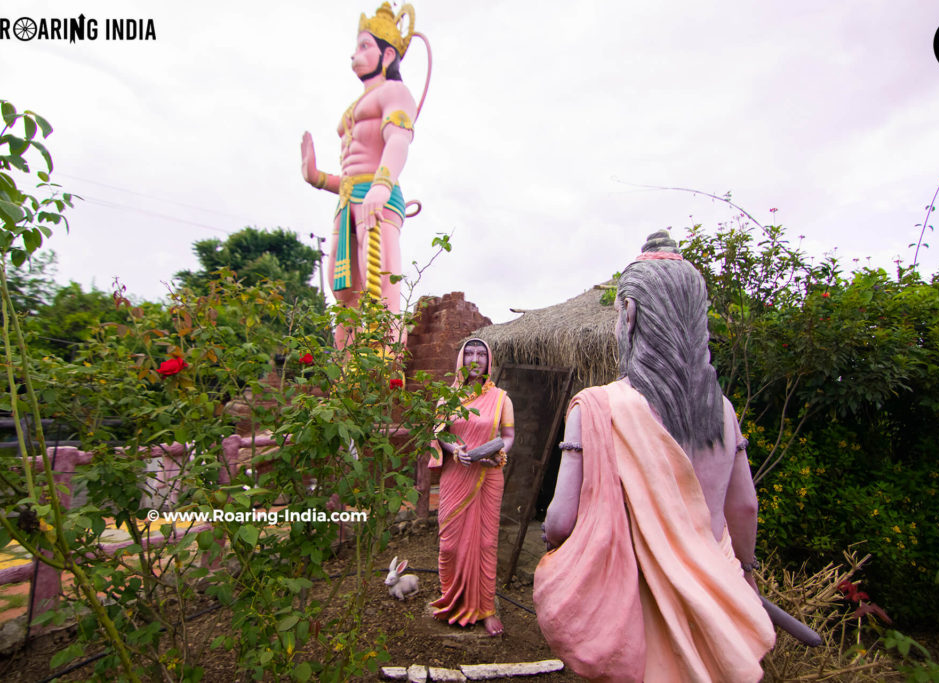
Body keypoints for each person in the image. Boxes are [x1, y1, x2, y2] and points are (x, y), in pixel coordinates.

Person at [534, 231, 776, 682]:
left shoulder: (597, 407)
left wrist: (556, 547)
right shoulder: (723, 411)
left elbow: (560, 521)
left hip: (637, 608)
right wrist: (745, 572)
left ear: (629, 314)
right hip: (718, 597)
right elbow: (745, 506)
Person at [301, 3, 418, 348]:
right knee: (344, 295)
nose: (355, 55)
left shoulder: (395, 92)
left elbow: (398, 138)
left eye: (365, 46)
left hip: (379, 197)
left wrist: (382, 185)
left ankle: (385, 366)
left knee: (381, 289)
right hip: (347, 202)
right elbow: (350, 174)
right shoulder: (353, 108)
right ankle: (345, 368)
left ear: (387, 55)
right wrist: (317, 177)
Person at [429, 339, 515, 636]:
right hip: (456, 473)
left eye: (481, 354)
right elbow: (440, 433)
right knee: (449, 544)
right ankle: (451, 601)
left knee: (486, 543)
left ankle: (486, 609)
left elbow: (508, 435)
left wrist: (498, 452)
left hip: (488, 475)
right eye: (469, 353)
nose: (474, 358)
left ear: (489, 360)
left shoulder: (501, 398)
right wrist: (454, 449)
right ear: (460, 359)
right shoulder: (447, 398)